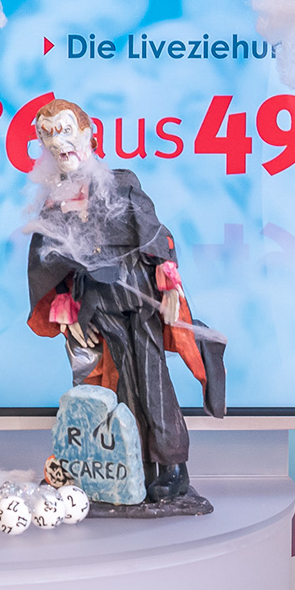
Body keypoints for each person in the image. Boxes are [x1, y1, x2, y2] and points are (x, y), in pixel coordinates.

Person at [22, 98, 225, 506]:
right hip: (97, 308)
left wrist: (169, 283)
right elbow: (51, 261)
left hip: (139, 300)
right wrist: (65, 309)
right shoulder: (55, 201)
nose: (57, 141)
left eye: (64, 129)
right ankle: (132, 465)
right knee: (117, 387)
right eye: (47, 134)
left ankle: (172, 467)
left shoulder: (121, 183)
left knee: (153, 383)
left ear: (87, 133)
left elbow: (155, 233)